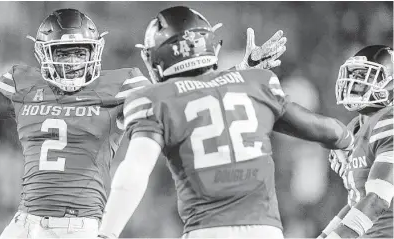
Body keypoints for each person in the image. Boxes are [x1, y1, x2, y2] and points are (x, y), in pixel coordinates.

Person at [0, 8, 286, 238]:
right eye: (63, 54)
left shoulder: (122, 85)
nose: (73, 64)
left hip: (81, 227)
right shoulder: (25, 84)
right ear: (42, 54)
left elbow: (189, 92)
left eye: (80, 53)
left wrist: (241, 69)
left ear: (96, 51)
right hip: (26, 223)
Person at [97, 6, 355, 239]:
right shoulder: (256, 84)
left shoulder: (154, 99)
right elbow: (323, 129)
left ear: (157, 58)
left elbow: (134, 173)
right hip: (266, 232)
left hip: (207, 230)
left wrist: (107, 233)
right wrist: (345, 140)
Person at [319, 45, 393, 239]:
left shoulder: (389, 121)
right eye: (354, 75)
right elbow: (357, 201)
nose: (354, 83)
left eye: (364, 77)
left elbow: (377, 201)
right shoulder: (355, 127)